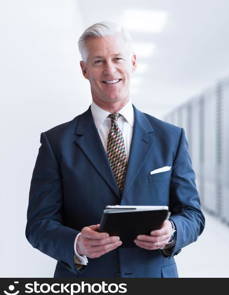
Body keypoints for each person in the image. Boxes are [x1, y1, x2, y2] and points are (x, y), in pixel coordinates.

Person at [25, 21, 205, 278]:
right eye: (98, 61)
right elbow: (38, 225)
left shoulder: (170, 138)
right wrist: (77, 243)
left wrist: (172, 231)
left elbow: (193, 215)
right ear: (84, 69)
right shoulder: (56, 142)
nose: (110, 70)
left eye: (117, 58)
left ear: (132, 62)